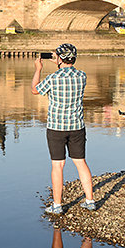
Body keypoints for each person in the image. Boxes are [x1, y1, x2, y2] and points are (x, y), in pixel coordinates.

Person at [32, 43, 96, 213]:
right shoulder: (82, 76)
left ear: (60, 59)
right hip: (77, 126)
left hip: (56, 128)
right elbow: (68, 72)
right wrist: (60, 62)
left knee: (58, 166)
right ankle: (90, 201)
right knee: (80, 162)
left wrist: (38, 68)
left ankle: (57, 205)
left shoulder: (53, 78)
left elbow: (35, 90)